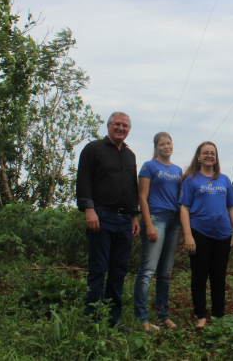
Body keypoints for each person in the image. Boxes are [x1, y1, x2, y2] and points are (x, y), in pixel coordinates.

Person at [76, 111, 140, 327]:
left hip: (124, 220)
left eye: (125, 126)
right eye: (117, 124)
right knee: (98, 269)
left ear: (129, 130)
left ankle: (113, 319)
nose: (121, 128)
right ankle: (93, 319)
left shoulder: (129, 155)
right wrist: (88, 208)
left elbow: (132, 186)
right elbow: (83, 179)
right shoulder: (94, 149)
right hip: (102, 215)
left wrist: (133, 215)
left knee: (119, 270)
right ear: (109, 126)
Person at [178, 141, 233, 330]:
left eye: (212, 153)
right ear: (198, 156)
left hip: (222, 235)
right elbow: (184, 207)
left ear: (216, 157)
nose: (209, 156)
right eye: (205, 153)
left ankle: (218, 315)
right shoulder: (191, 180)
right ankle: (201, 316)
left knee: (219, 277)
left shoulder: (224, 180)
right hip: (199, 233)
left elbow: (232, 207)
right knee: (199, 276)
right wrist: (188, 235)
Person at [133, 132, 183, 331]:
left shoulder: (178, 170)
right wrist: (149, 224)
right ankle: (142, 318)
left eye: (168, 143)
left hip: (174, 221)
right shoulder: (149, 166)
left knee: (165, 272)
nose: (166, 146)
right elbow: (142, 197)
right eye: (161, 144)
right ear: (156, 147)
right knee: (148, 270)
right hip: (156, 218)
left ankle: (164, 315)